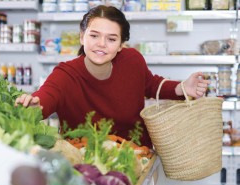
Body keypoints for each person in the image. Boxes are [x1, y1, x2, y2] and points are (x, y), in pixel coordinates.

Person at [15, 5, 209, 148]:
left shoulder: (132, 60)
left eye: (111, 39)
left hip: (137, 159)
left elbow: (150, 84)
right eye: (94, 36)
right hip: (85, 166)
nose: (101, 44)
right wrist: (35, 106)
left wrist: (184, 87)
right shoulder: (66, 74)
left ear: (121, 44)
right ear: (82, 37)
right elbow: (48, 96)